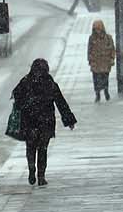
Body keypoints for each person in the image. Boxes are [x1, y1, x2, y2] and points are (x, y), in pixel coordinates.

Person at [12, 57, 76, 186]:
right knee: (43, 149)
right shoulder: (49, 83)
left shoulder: (26, 81)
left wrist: (25, 106)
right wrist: (69, 120)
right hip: (45, 123)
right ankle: (41, 176)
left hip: (30, 122)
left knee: (30, 147)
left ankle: (31, 169)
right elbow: (60, 102)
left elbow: (16, 96)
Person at [87, 19, 116, 102]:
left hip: (105, 62)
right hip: (95, 62)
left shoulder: (108, 38)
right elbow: (89, 50)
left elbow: (113, 49)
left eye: (99, 29)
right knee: (96, 79)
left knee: (105, 78)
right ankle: (97, 94)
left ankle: (106, 91)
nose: (97, 31)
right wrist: (90, 60)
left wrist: (112, 58)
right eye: (95, 29)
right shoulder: (91, 38)